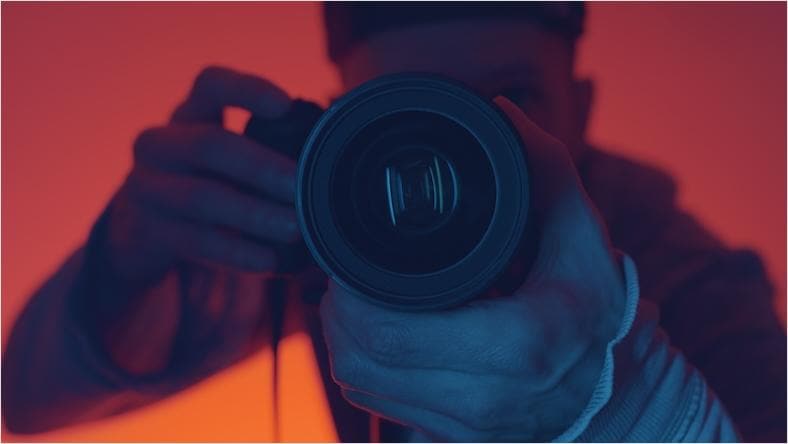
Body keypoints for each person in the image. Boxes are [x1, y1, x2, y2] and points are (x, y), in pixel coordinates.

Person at [3, 3, 785, 442]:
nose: (469, 147)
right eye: (425, 107)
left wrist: (626, 407)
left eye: (510, 100)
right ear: (351, 118)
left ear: (582, 108)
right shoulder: (341, 226)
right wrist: (123, 263)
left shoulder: (687, 275)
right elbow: (27, 403)